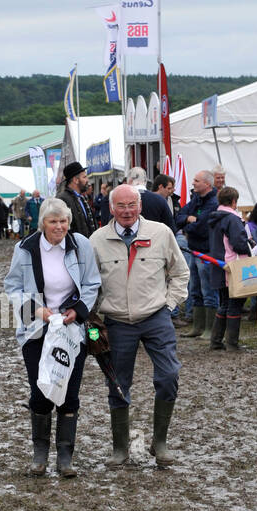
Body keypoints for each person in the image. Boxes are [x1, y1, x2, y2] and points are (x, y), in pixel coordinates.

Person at [90, 185, 189, 469]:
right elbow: (88, 282)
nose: (127, 211)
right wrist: (92, 316)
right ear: (111, 208)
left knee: (169, 375)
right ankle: (120, 449)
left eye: (132, 204)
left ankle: (160, 443)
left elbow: (180, 272)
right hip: (117, 321)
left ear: (140, 206)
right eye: (120, 205)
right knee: (118, 384)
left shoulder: (160, 233)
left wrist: (170, 304)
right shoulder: (97, 240)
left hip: (156, 317)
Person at [3, 198, 100, 478]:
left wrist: (78, 310)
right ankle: (40, 453)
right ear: (42, 223)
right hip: (37, 329)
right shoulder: (25, 248)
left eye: (63, 222)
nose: (59, 227)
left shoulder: (81, 244)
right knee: (41, 391)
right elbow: (12, 286)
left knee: (69, 393)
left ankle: (66, 457)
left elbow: (92, 282)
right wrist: (36, 309)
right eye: (53, 222)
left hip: (71, 329)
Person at [207, 187, 255, 351]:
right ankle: (232, 344)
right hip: (232, 266)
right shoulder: (232, 219)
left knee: (225, 303)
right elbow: (238, 244)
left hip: (218, 265)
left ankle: (216, 341)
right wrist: (248, 248)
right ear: (234, 201)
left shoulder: (214, 218)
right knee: (235, 303)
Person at [175, 169, 219, 338]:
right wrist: (188, 219)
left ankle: (210, 329)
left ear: (207, 184)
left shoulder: (213, 203)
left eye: (196, 180)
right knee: (195, 289)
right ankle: (198, 327)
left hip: (206, 253)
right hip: (193, 250)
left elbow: (202, 228)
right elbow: (178, 217)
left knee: (208, 290)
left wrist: (189, 222)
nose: (193, 183)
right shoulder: (196, 200)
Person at [58, 162, 96, 236]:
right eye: (84, 177)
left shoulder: (81, 198)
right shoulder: (62, 199)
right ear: (76, 180)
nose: (87, 180)